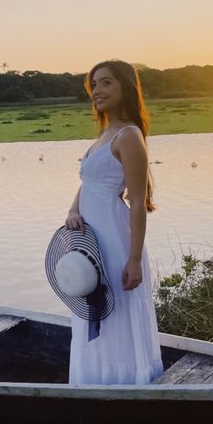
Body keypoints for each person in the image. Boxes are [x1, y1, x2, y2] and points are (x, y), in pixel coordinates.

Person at [65, 59, 164, 385]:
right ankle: (95, 382)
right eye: (94, 84)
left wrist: (134, 259)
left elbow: (136, 202)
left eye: (107, 82)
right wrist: (72, 210)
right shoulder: (104, 134)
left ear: (125, 87)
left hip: (115, 238)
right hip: (91, 238)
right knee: (92, 305)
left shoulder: (128, 136)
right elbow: (90, 182)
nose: (98, 90)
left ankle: (125, 385)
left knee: (118, 311)